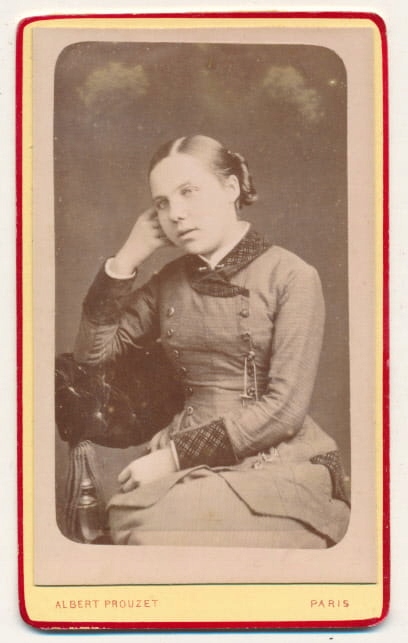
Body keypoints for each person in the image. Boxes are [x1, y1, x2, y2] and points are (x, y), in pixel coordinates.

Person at [74, 134, 350, 547]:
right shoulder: (168, 282)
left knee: (185, 535)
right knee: (152, 529)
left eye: (188, 192)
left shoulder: (292, 275)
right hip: (182, 463)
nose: (176, 214)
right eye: (162, 203)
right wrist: (127, 257)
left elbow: (286, 410)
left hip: (273, 461)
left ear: (230, 188)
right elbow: (92, 356)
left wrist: (173, 457)